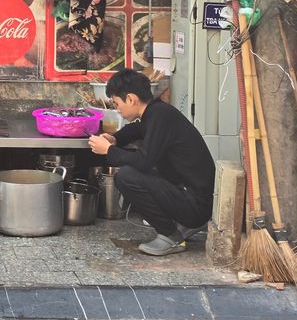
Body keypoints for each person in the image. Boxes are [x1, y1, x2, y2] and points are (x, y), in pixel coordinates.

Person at [88, 69, 215, 256]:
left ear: (131, 99)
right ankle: (183, 225)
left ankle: (171, 235)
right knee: (137, 170)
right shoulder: (157, 112)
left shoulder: (160, 116)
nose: (117, 110)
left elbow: (144, 162)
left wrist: (109, 150)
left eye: (117, 103)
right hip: (191, 197)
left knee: (125, 176)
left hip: (195, 205)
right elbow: (139, 129)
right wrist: (116, 139)